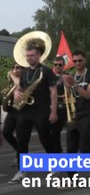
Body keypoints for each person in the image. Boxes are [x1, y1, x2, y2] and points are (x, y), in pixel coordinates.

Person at [9, 39, 58, 184]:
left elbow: (53, 92)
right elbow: (20, 87)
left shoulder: (47, 71)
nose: (29, 58)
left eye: (32, 55)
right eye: (27, 55)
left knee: (45, 139)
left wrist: (53, 112)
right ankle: (22, 170)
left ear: (38, 56)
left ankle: (54, 164)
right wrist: (17, 93)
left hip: (41, 111)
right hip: (24, 111)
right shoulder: (24, 72)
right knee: (22, 141)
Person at [62, 51, 90, 158]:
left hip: (86, 115)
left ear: (85, 60)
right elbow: (69, 96)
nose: (77, 63)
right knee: (71, 148)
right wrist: (67, 86)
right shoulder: (72, 76)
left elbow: (88, 95)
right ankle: (72, 174)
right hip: (73, 116)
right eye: (75, 61)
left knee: (85, 148)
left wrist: (74, 84)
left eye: (80, 60)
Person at [2, 63, 22, 167]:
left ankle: (20, 158)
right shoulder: (11, 81)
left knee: (21, 136)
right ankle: (19, 152)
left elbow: (20, 85)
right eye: (13, 67)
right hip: (12, 111)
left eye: (18, 68)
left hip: (23, 111)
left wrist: (12, 75)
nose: (15, 70)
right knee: (6, 132)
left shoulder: (24, 80)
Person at [50, 56, 68, 153]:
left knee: (55, 132)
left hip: (62, 108)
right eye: (55, 65)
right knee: (51, 134)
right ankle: (57, 152)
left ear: (63, 66)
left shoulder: (67, 76)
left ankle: (58, 153)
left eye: (60, 65)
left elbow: (71, 92)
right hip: (50, 107)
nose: (57, 66)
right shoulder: (49, 76)